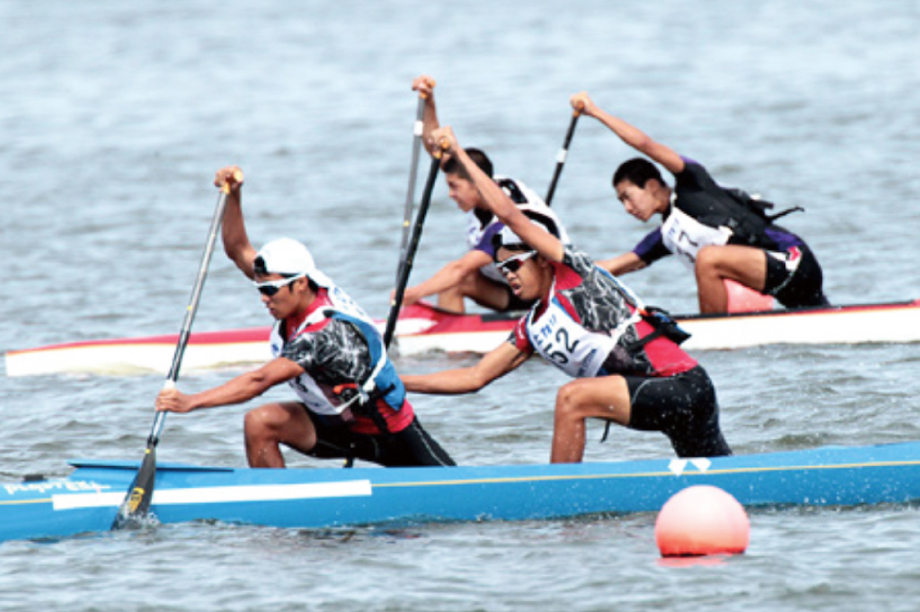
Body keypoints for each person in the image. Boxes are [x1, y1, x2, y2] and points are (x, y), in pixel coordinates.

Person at [401, 127, 732, 463]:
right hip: (656, 403)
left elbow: (510, 214)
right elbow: (473, 377)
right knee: (721, 480)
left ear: (543, 260)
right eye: (503, 271)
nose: (509, 275)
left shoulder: (573, 273)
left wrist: (457, 153)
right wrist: (399, 383)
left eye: (515, 264)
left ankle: (558, 497)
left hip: (684, 386)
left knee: (572, 398)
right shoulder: (530, 326)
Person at [155, 166, 455, 469]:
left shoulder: (324, 334)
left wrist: (191, 401)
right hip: (336, 427)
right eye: (261, 288)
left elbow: (259, 380)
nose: (263, 297)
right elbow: (236, 249)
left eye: (270, 289)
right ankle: (276, 503)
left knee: (450, 485)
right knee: (260, 422)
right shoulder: (295, 285)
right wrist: (234, 195)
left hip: (391, 433)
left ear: (300, 283)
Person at [570, 92, 829, 314]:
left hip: (794, 262)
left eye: (627, 196)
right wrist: (560, 271)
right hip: (785, 290)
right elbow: (614, 266)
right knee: (822, 314)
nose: (627, 208)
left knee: (708, 259)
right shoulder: (664, 236)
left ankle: (712, 333)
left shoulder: (693, 183)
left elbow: (645, 144)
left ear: (651, 185)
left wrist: (595, 111)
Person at [399, 74, 568, 314]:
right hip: (511, 284)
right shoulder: (483, 180)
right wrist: (428, 100)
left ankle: (455, 346)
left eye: (454, 187)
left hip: (545, 290)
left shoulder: (504, 221)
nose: (450, 194)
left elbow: (460, 268)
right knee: (451, 284)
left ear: (476, 185)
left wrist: (412, 294)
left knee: (455, 277)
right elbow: (433, 146)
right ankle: (452, 344)